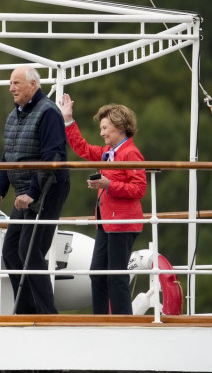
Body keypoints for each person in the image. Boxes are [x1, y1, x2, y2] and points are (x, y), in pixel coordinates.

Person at [0, 65, 70, 314]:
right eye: (10, 83)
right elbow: (7, 158)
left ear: (33, 85)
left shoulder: (48, 113)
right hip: (24, 190)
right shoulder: (14, 115)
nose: (11, 88)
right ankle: (26, 310)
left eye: (16, 83)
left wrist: (32, 193)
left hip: (48, 188)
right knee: (11, 251)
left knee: (30, 251)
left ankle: (48, 315)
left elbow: (52, 157)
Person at [59, 93, 146, 314]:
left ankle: (122, 323)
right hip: (106, 222)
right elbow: (83, 149)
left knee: (116, 276)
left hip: (123, 223)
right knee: (97, 273)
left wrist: (108, 185)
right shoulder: (109, 152)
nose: (101, 132)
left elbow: (139, 189)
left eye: (105, 127)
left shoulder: (131, 153)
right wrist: (68, 120)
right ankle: (101, 321)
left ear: (119, 127)